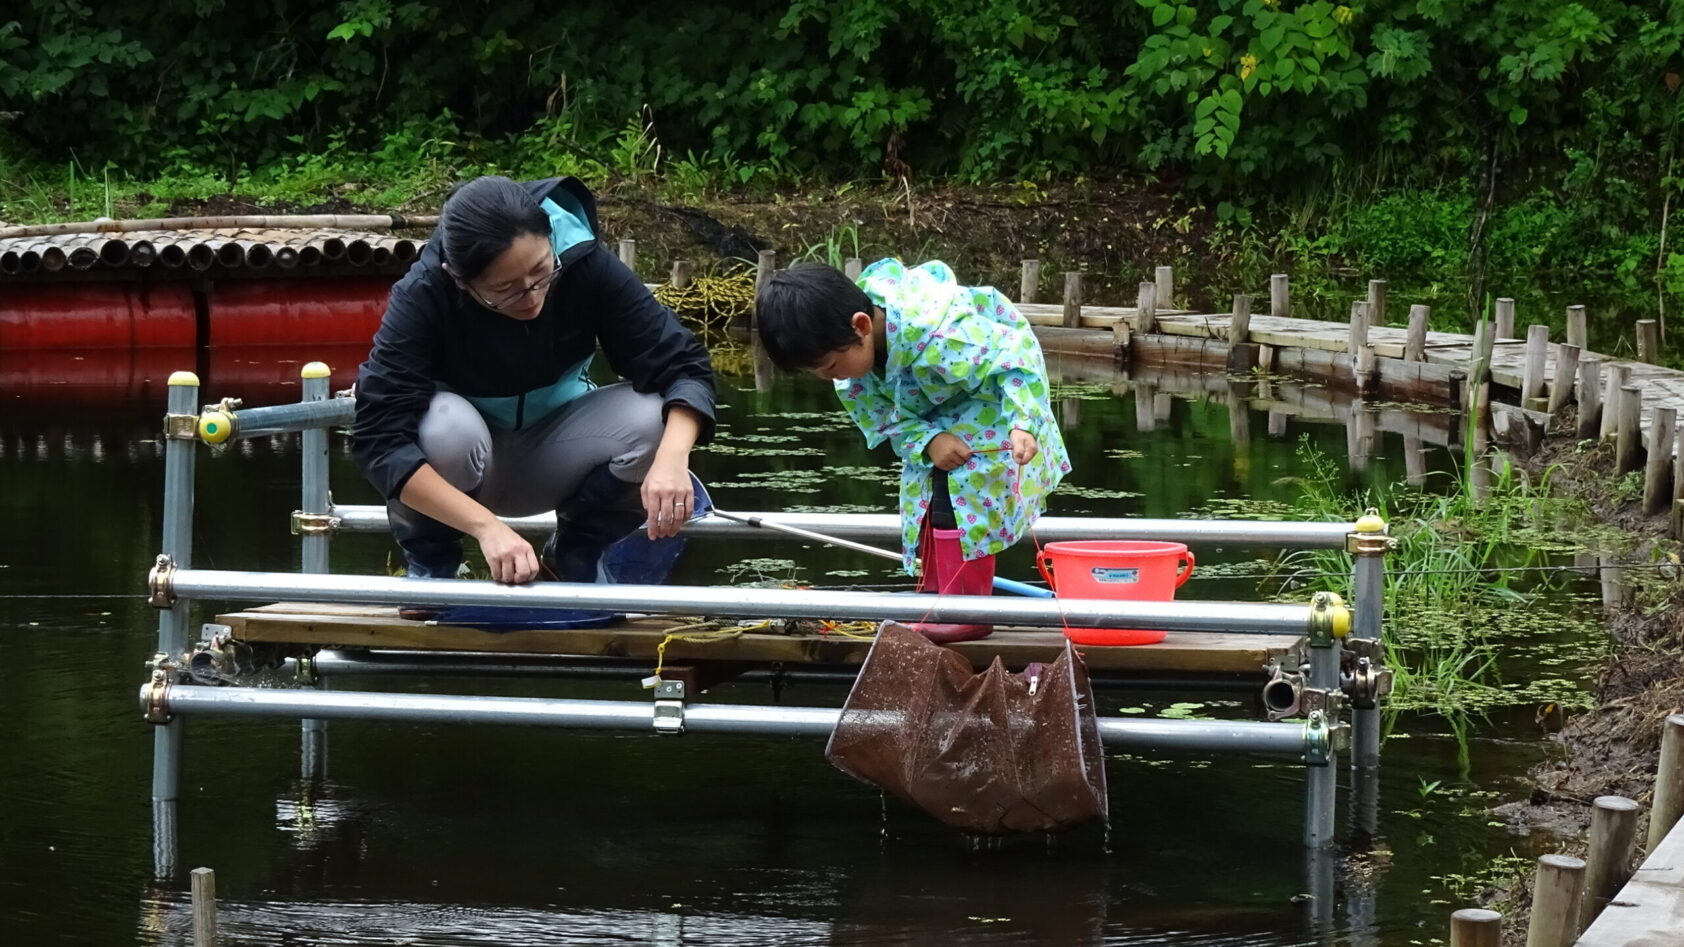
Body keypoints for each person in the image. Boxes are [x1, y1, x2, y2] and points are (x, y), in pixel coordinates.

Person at [352, 175, 715, 590]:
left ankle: (577, 552)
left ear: (551, 239)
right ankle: (432, 567)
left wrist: (671, 459)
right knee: (443, 424)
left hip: (559, 457)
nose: (531, 298)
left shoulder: (584, 262)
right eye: (504, 291)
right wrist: (486, 528)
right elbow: (379, 439)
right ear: (459, 279)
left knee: (656, 418)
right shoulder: (422, 293)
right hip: (463, 464)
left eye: (542, 273)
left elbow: (684, 365)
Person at [755, 258, 1070, 642]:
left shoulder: (944, 336)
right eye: (818, 373)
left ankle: (970, 609)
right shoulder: (851, 372)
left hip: (999, 414)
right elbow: (883, 421)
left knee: (965, 489)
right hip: (939, 426)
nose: (830, 378)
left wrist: (1024, 422)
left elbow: (1016, 360)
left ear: (862, 325)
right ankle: (939, 597)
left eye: (832, 366)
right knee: (923, 494)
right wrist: (927, 440)